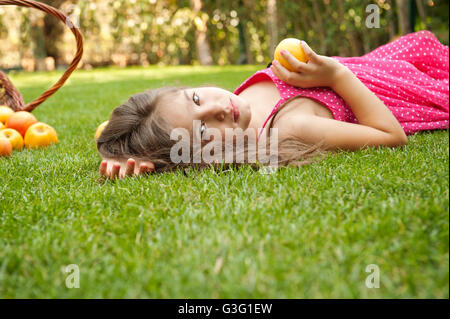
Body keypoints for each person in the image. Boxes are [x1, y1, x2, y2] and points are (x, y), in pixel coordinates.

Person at [97, 30, 449, 179]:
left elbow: (149, 128)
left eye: (196, 98)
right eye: (203, 129)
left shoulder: (240, 102)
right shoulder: (291, 126)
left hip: (393, 62)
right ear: (205, 156)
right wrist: (337, 75)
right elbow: (391, 136)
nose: (218, 108)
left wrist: (121, 142)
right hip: (411, 89)